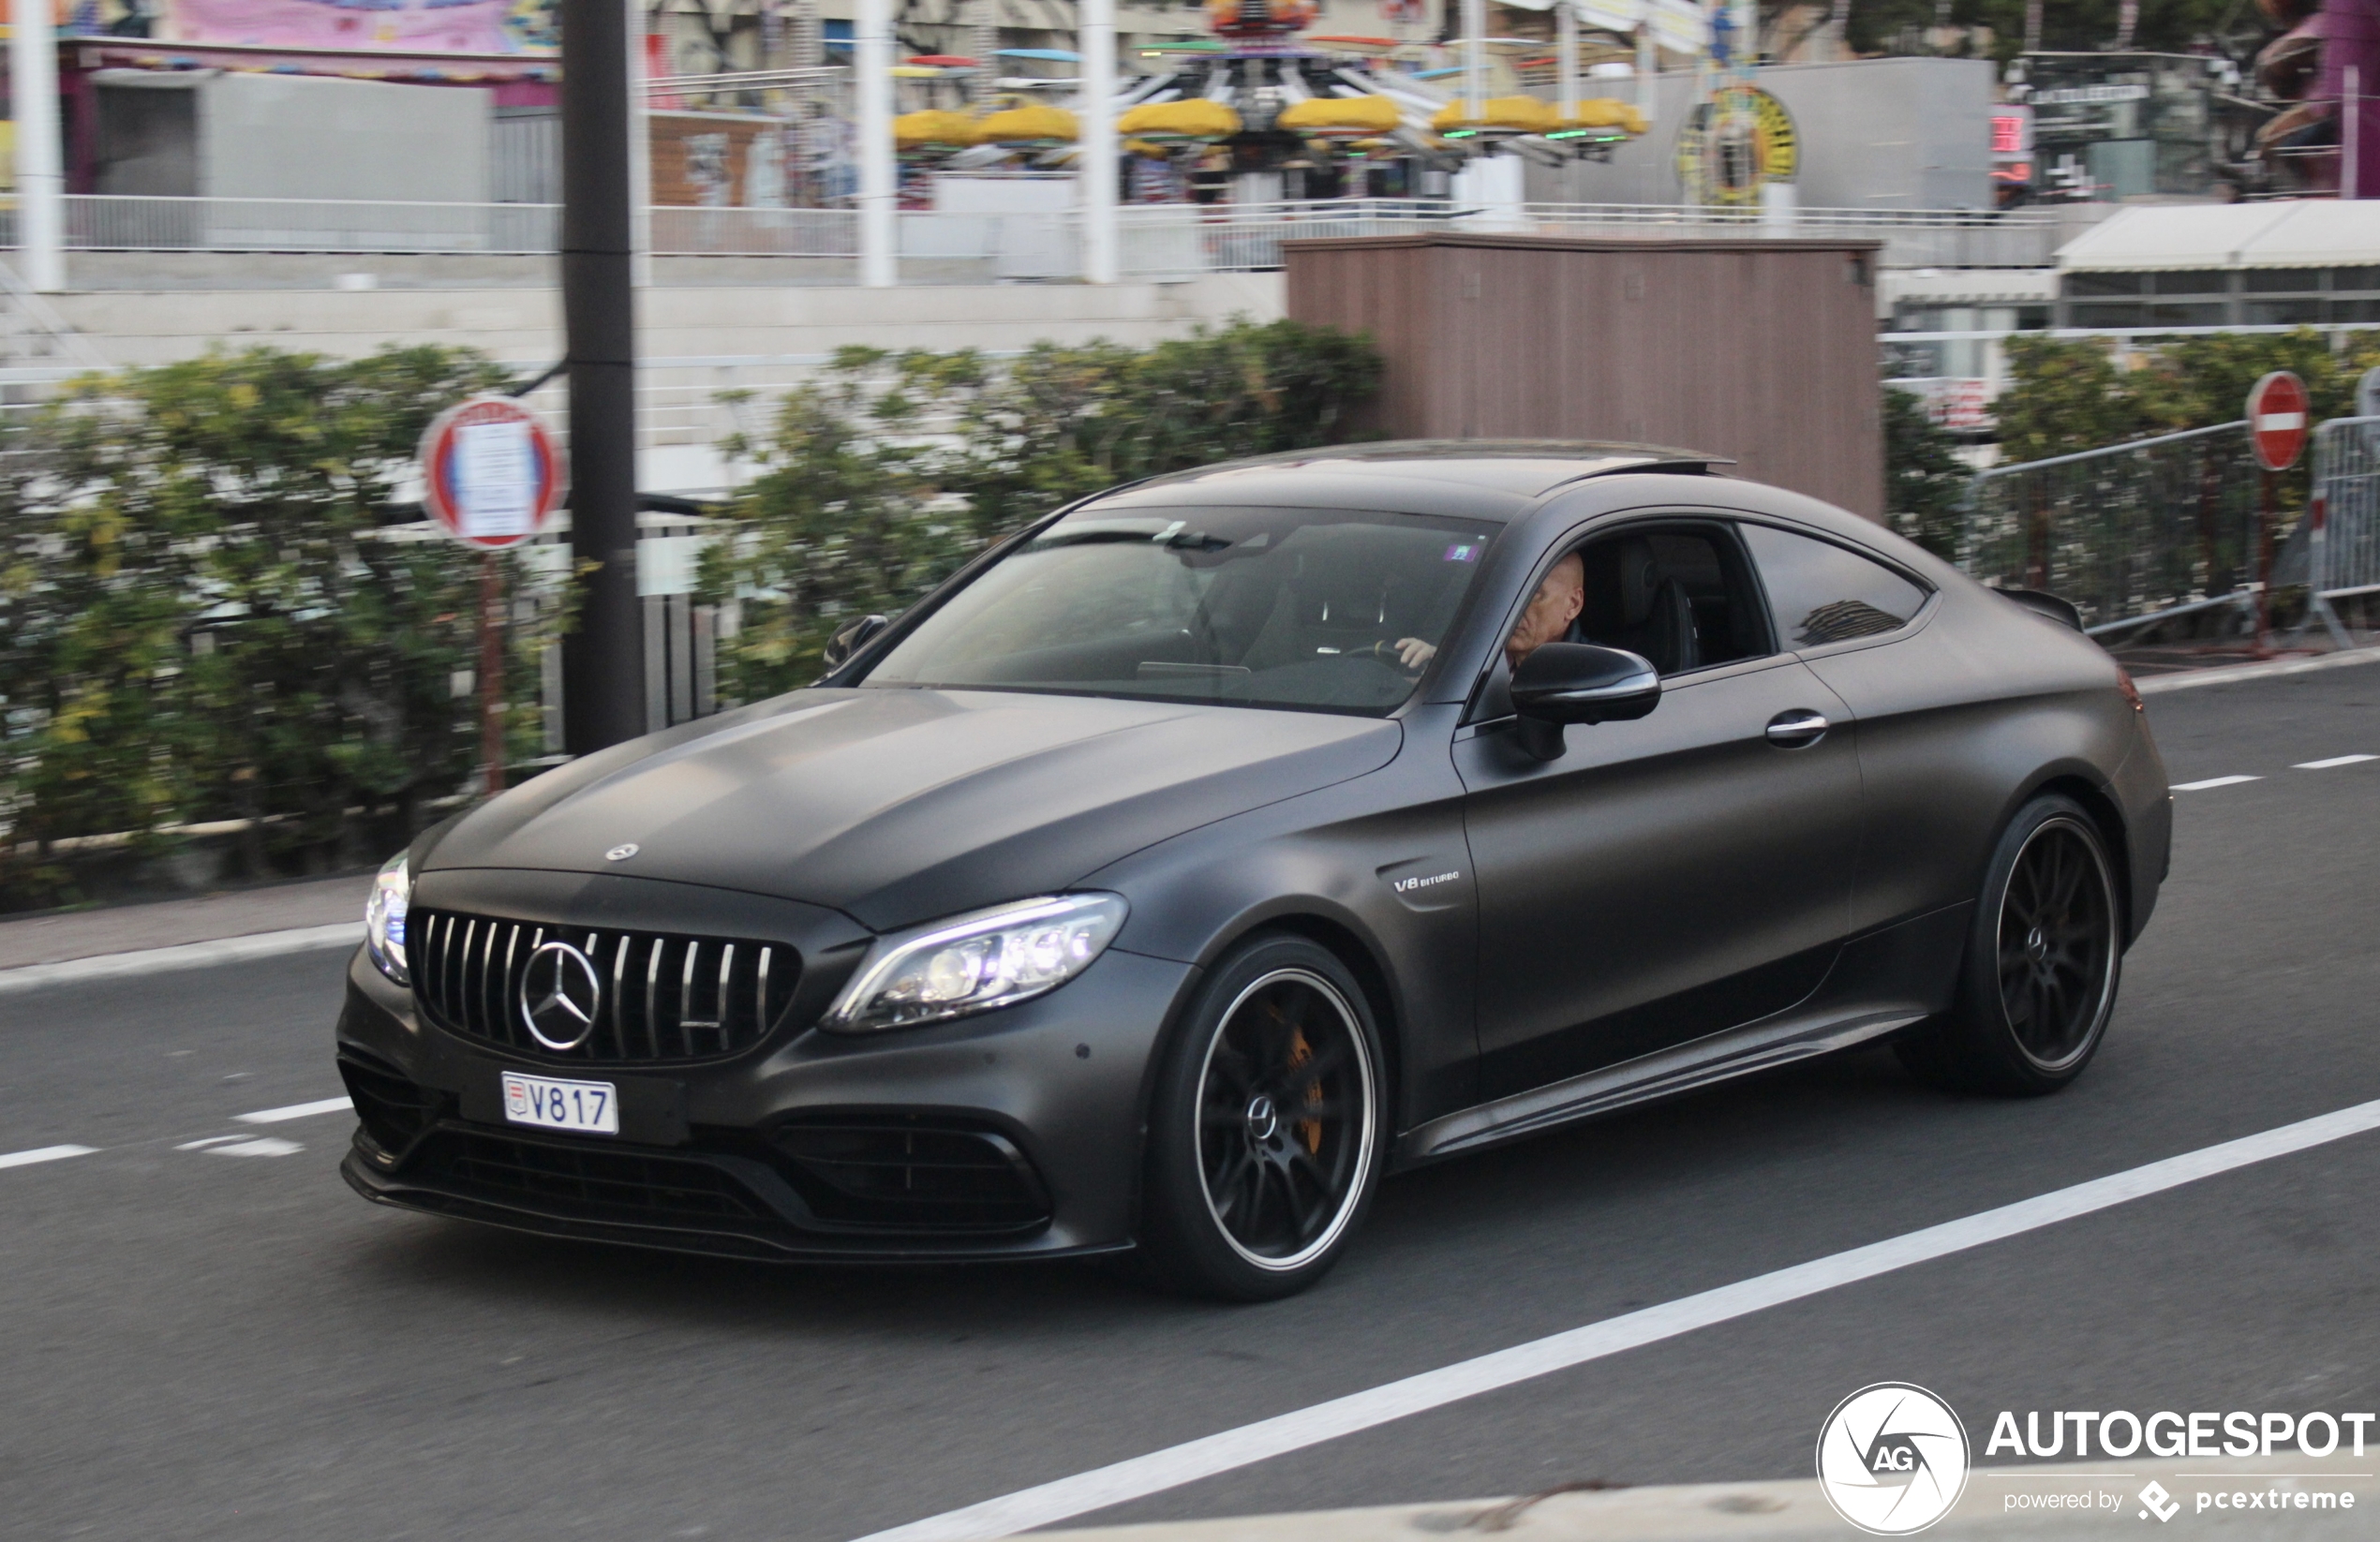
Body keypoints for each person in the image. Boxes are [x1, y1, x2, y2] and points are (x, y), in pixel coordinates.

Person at [1391, 551, 1584, 673]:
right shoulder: (1477, 653)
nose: (1513, 606)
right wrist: (1437, 672)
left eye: (1534, 595)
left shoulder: (1590, 677)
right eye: (1508, 592)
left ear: (1573, 605)